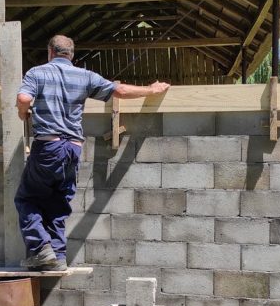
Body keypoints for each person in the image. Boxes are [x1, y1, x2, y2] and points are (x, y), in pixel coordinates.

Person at [15, 34, 170, 270]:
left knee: (26, 198)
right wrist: (151, 89)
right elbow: (119, 90)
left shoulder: (37, 73)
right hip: (73, 148)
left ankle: (40, 249)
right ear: (72, 55)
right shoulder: (85, 76)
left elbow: (23, 97)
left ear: (50, 52)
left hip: (48, 146)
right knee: (58, 204)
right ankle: (57, 258)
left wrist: (22, 113)